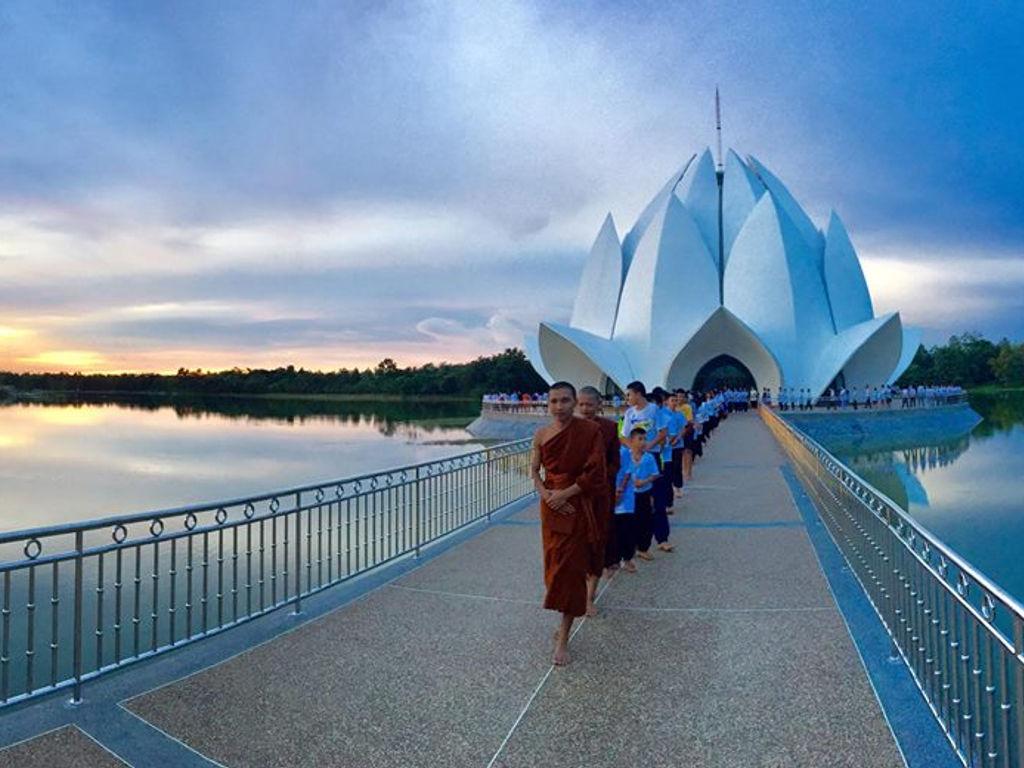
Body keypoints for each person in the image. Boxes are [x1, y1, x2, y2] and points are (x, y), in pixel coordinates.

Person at [531, 381, 606, 666]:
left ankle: (563, 638)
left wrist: (565, 493)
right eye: (553, 401)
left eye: (564, 400)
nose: (559, 406)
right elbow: (535, 471)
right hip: (550, 507)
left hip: (575, 503)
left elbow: (594, 473)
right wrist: (546, 495)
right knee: (553, 570)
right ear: (547, 404)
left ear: (574, 402)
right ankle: (561, 618)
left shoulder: (590, 432)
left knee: (571, 572)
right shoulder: (541, 434)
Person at [577, 386, 619, 617]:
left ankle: (589, 597)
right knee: (578, 547)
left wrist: (599, 479)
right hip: (577, 497)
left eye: (589, 405)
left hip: (601, 496)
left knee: (597, 545)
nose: (585, 409)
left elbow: (615, 464)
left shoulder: (610, 428)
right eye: (581, 404)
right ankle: (578, 595)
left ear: (598, 404)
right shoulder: (569, 429)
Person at [624, 426, 661, 564]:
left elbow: (655, 474)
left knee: (646, 521)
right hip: (629, 494)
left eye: (645, 439)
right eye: (640, 439)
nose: (643, 442)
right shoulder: (625, 456)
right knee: (629, 521)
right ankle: (628, 549)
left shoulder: (649, 457)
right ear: (631, 440)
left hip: (644, 493)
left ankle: (643, 548)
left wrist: (644, 481)